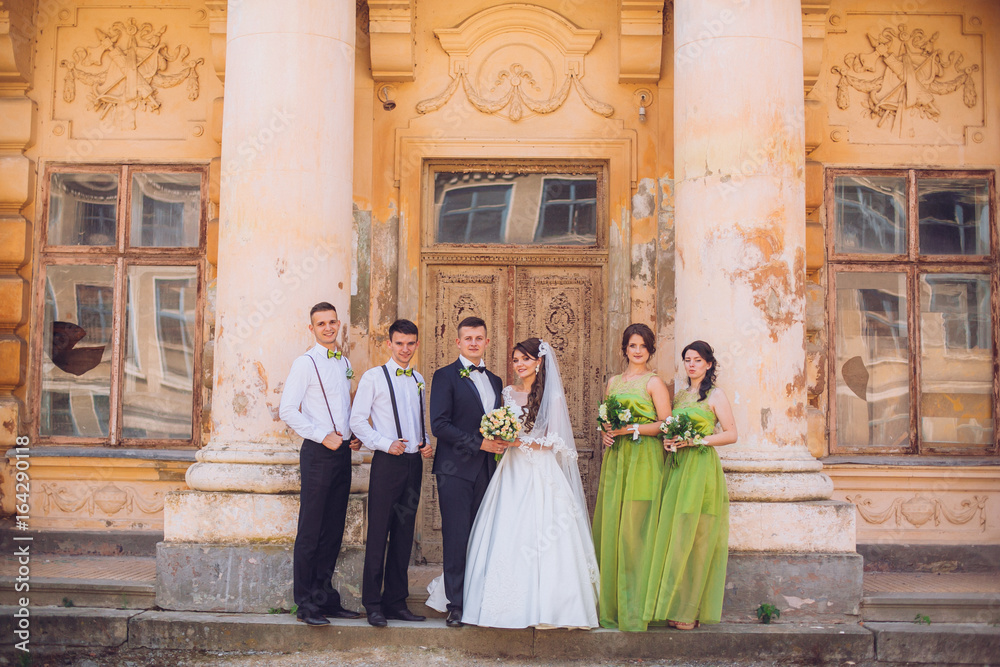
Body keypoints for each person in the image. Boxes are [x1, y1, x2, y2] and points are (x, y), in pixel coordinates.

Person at [457, 337, 600, 629]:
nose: (519, 365)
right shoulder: (507, 392)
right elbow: (499, 423)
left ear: (539, 362)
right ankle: (500, 604)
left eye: (525, 359)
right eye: (516, 360)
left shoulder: (552, 395)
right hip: (510, 471)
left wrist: (517, 440)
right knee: (507, 529)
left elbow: (554, 441)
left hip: (539, 471)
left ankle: (552, 606)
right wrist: (500, 435)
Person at [278, 302, 362, 626]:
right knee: (311, 531)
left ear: (338, 324)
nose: (327, 328)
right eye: (320, 323)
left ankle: (325, 598)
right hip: (317, 453)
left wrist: (351, 436)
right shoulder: (305, 363)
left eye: (331, 322)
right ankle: (306, 605)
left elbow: (342, 408)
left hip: (342, 452)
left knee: (333, 530)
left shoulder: (343, 362)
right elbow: (288, 409)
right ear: (311, 328)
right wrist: (321, 434)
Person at [644, 340, 737, 630]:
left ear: (709, 364)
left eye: (697, 360)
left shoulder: (716, 395)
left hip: (701, 467)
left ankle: (690, 611)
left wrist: (695, 440)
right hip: (677, 467)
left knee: (699, 538)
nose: (692, 364)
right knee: (677, 535)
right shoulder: (682, 396)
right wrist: (671, 441)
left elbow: (732, 434)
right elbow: (669, 427)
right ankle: (673, 605)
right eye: (687, 360)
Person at [350, 319, 435, 627]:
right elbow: (357, 420)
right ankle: (372, 603)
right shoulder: (374, 377)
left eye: (410, 343)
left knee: (403, 534)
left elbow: (417, 419)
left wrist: (425, 442)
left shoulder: (418, 378)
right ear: (389, 344)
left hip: (414, 463)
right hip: (387, 463)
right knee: (379, 534)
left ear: (416, 344)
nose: (405, 349)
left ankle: (396, 602)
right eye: (399, 343)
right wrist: (384, 444)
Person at [592, 323, 671, 632]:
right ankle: (610, 606)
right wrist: (605, 433)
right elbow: (605, 419)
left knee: (636, 531)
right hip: (617, 460)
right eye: (632, 345)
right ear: (624, 348)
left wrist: (631, 429)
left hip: (644, 459)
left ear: (650, 349)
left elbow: (666, 424)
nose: (637, 350)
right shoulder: (613, 382)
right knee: (613, 525)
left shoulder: (654, 383)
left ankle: (637, 606)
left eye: (642, 346)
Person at [429, 316, 505, 627]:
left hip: (489, 471)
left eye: (479, 338)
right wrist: (480, 444)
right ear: (458, 342)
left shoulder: (497, 381)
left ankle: (479, 598)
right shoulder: (444, 376)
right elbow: (439, 425)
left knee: (482, 537)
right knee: (456, 536)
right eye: (468, 338)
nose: (474, 342)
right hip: (455, 470)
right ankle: (455, 604)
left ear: (487, 342)